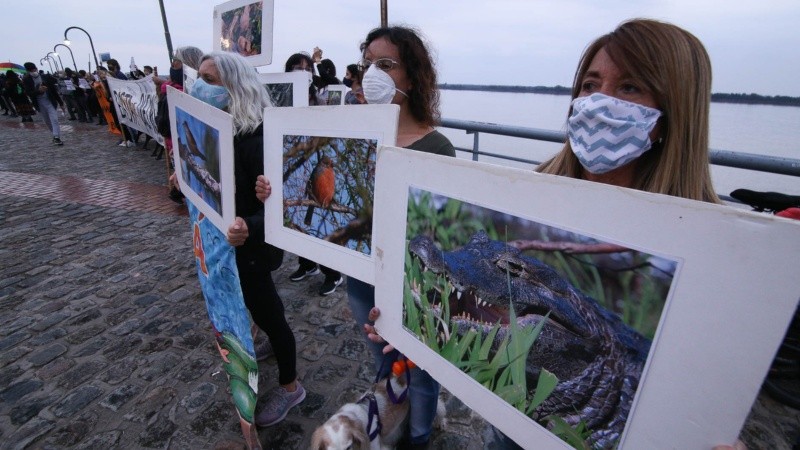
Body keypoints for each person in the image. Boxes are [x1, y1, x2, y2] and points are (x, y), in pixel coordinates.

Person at [257, 25, 455, 449]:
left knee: (418, 369)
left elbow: (435, 236)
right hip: (362, 278)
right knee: (384, 364)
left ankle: (418, 435)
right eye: (368, 64)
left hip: (409, 287)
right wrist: (272, 191)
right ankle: (391, 420)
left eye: (386, 65)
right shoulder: (355, 129)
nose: (372, 74)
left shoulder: (437, 147)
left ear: (413, 75)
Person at [192, 51, 304, 428]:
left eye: (210, 79)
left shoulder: (256, 137)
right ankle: (271, 345)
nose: (199, 85)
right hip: (229, 243)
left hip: (253, 245)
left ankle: (290, 387)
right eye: (199, 76)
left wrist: (249, 227)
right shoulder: (214, 128)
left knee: (268, 312)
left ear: (233, 87)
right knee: (257, 306)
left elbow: (278, 207)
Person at [282, 51, 344, 296]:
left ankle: (333, 273)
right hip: (294, 164)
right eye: (297, 67)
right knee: (298, 223)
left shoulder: (320, 97)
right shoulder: (280, 97)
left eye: (308, 68)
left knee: (321, 227)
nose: (303, 72)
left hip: (315, 158)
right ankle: (306, 265)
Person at [21, 62, 64, 146]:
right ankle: (55, 135)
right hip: (39, 103)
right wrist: (39, 91)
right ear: (28, 71)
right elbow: (28, 93)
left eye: (34, 69)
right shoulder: (26, 80)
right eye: (30, 70)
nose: (33, 71)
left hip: (50, 101)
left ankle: (56, 137)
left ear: (36, 68)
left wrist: (61, 103)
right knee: (47, 121)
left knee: (54, 119)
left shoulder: (45, 77)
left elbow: (53, 91)